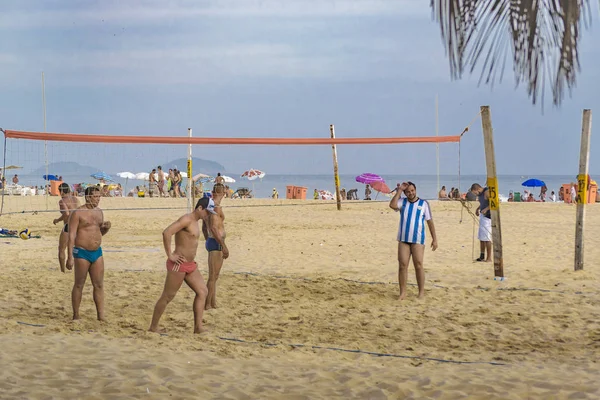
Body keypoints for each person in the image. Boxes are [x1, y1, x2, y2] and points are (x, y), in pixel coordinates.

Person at [149, 197, 213, 334]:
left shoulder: (197, 222)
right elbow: (167, 232)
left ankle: (198, 327)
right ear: (200, 208)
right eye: (207, 212)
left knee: (203, 292)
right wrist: (170, 255)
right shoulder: (187, 219)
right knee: (167, 296)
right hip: (178, 264)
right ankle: (153, 327)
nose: (208, 215)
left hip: (190, 264)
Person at [67, 186, 111, 321]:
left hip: (97, 252)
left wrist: (106, 229)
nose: (98, 199)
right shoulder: (78, 213)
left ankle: (100, 316)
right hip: (81, 252)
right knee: (79, 284)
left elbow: (99, 233)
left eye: (99, 197)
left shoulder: (99, 212)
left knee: (98, 284)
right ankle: (76, 315)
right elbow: (71, 236)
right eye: (95, 197)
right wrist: (70, 257)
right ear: (87, 197)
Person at [389, 181, 438, 300]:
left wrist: (434, 239)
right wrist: (399, 190)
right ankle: (403, 293)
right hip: (403, 239)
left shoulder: (424, 204)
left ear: (415, 190)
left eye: (412, 190)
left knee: (419, 265)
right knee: (402, 265)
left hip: (418, 239)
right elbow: (392, 205)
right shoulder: (402, 202)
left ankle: (421, 292)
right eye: (408, 191)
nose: (410, 193)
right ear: (405, 193)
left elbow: (430, 222)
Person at [203, 184, 229, 310]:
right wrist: (223, 245)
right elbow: (213, 227)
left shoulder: (213, 205)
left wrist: (206, 238)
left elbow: (205, 224)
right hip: (215, 241)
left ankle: (212, 302)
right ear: (222, 193)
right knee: (213, 276)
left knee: (215, 276)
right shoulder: (214, 207)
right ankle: (207, 304)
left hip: (214, 240)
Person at [53, 183, 79, 273]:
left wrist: (57, 220)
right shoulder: (75, 199)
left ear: (62, 191)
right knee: (73, 247)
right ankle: (73, 268)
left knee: (61, 249)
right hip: (78, 226)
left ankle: (62, 271)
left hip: (69, 225)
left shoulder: (62, 201)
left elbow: (67, 213)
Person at [470, 183, 492, 262]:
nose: (476, 195)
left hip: (488, 217)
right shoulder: (480, 195)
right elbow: (482, 203)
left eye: (475, 193)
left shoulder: (487, 192)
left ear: (478, 189)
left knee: (487, 238)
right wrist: (478, 208)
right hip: (482, 216)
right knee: (481, 237)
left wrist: (486, 209)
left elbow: (493, 203)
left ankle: (489, 258)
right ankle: (482, 256)